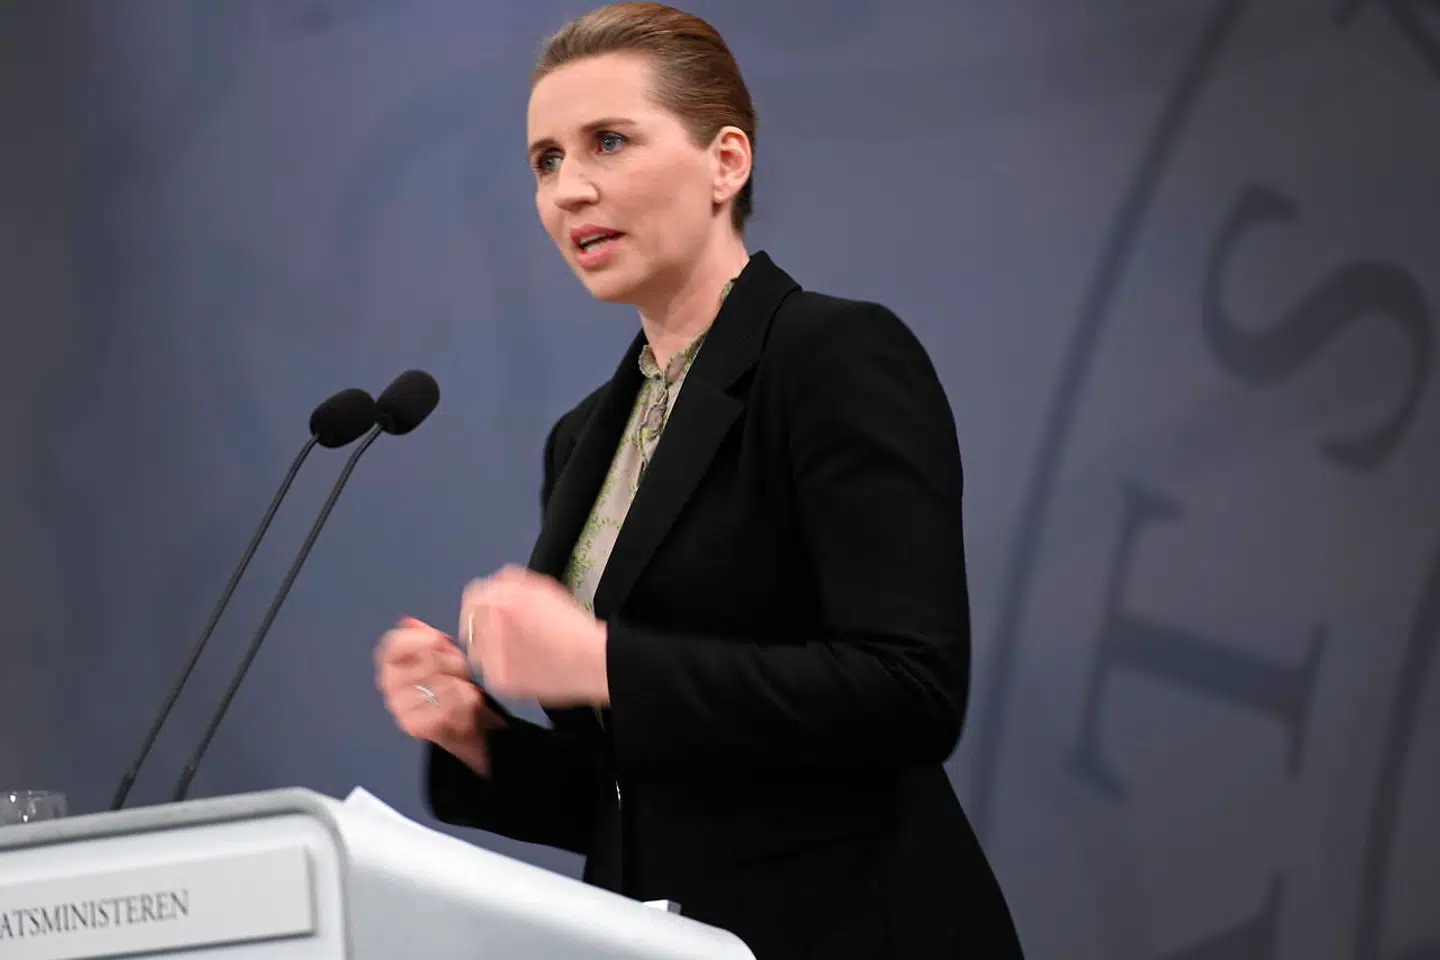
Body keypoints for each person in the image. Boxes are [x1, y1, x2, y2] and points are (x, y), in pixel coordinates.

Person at [375, 3, 1024, 957]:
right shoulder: (581, 439)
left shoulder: (832, 356)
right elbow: (640, 798)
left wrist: (598, 660)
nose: (569, 190)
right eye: (546, 160)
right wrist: (475, 733)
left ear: (726, 163)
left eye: (608, 142)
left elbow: (909, 691)